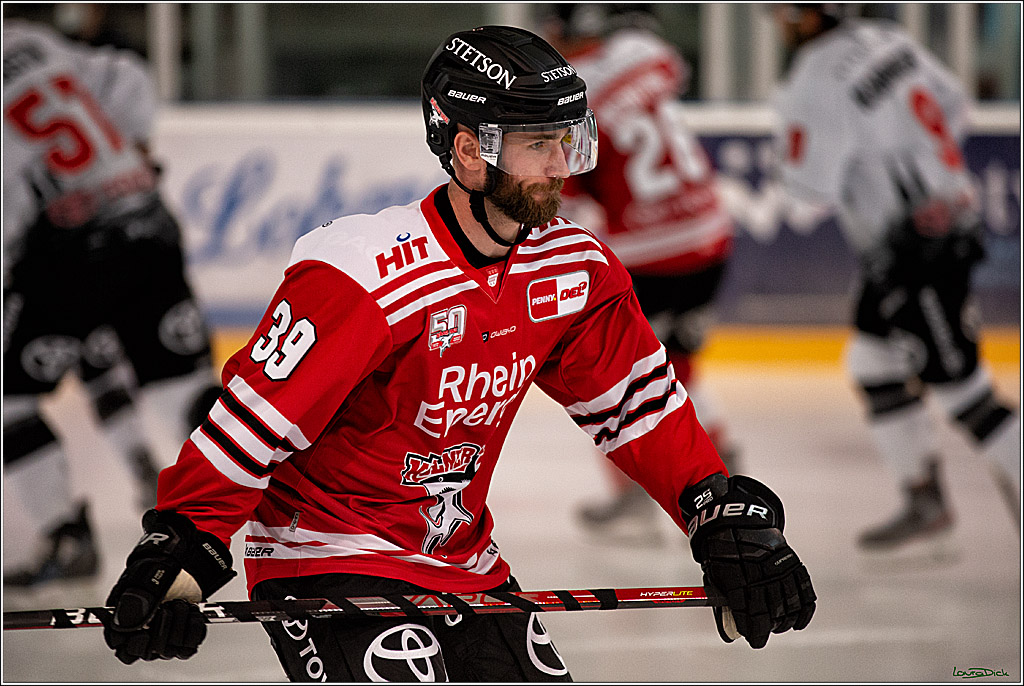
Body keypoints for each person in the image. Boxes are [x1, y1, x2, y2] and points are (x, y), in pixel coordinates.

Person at [99, 26, 816, 680]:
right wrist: (182, 552)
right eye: (537, 143)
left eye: (566, 139)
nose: (560, 164)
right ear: (469, 150)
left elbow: (637, 405)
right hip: (326, 560)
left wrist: (712, 508)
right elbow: (250, 424)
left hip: (464, 563)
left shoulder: (573, 266)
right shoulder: (361, 274)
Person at [770, 4, 1020, 554]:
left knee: (965, 393)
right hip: (935, 228)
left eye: (786, 10)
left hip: (917, 250)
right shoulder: (888, 38)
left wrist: (790, 143)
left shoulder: (815, 75)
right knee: (873, 361)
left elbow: (810, 190)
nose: (777, 20)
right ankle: (923, 498)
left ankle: (933, 497)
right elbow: (954, 106)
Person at [3, 21, 222, 587]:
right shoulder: (29, 38)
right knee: (183, 386)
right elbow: (126, 75)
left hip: (65, 254)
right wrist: (125, 160)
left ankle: (66, 536)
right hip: (146, 221)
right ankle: (281, 503)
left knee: (10, 402)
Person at [541, 4, 740, 544]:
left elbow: (571, 198)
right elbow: (671, 67)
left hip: (652, 254)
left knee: (607, 370)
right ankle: (721, 458)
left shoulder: (564, 99)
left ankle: (638, 491)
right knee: (678, 360)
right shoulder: (642, 55)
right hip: (709, 235)